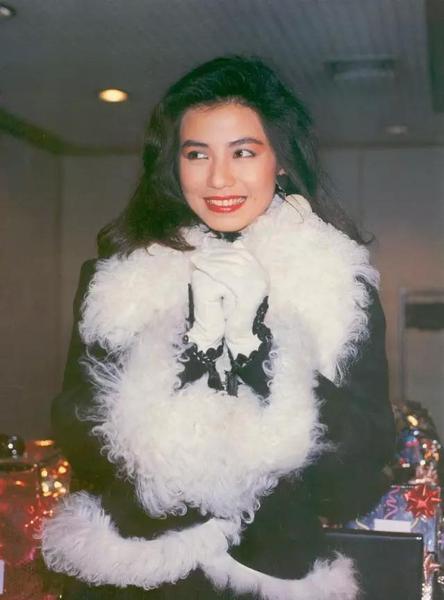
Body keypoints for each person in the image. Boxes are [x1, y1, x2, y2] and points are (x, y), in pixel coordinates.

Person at [41, 56, 395, 599]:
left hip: (270, 580)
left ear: (280, 161)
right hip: (133, 576)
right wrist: (191, 348)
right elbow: (81, 443)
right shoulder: (120, 278)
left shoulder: (339, 287)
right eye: (197, 153)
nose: (219, 178)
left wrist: (260, 349)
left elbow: (352, 483)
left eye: (243, 152)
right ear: (173, 164)